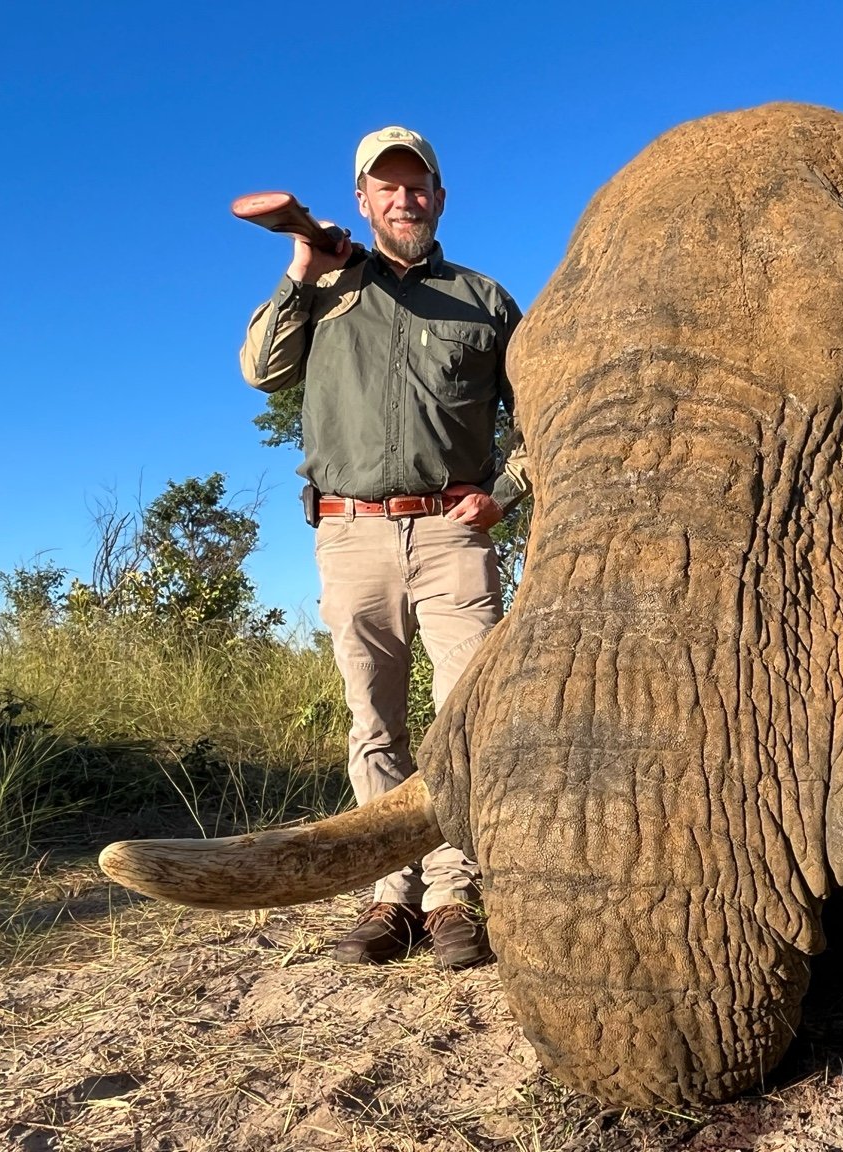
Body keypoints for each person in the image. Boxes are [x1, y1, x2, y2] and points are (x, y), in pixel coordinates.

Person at [239, 126, 528, 969]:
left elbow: (540, 417)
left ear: (439, 197)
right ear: (363, 200)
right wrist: (300, 270)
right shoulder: (326, 289)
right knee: (374, 721)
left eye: (417, 186)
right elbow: (261, 370)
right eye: (386, 188)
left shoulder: (485, 300)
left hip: (451, 532)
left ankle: (451, 895)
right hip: (349, 531)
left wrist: (502, 494)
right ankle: (389, 894)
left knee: (467, 715)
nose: (403, 200)